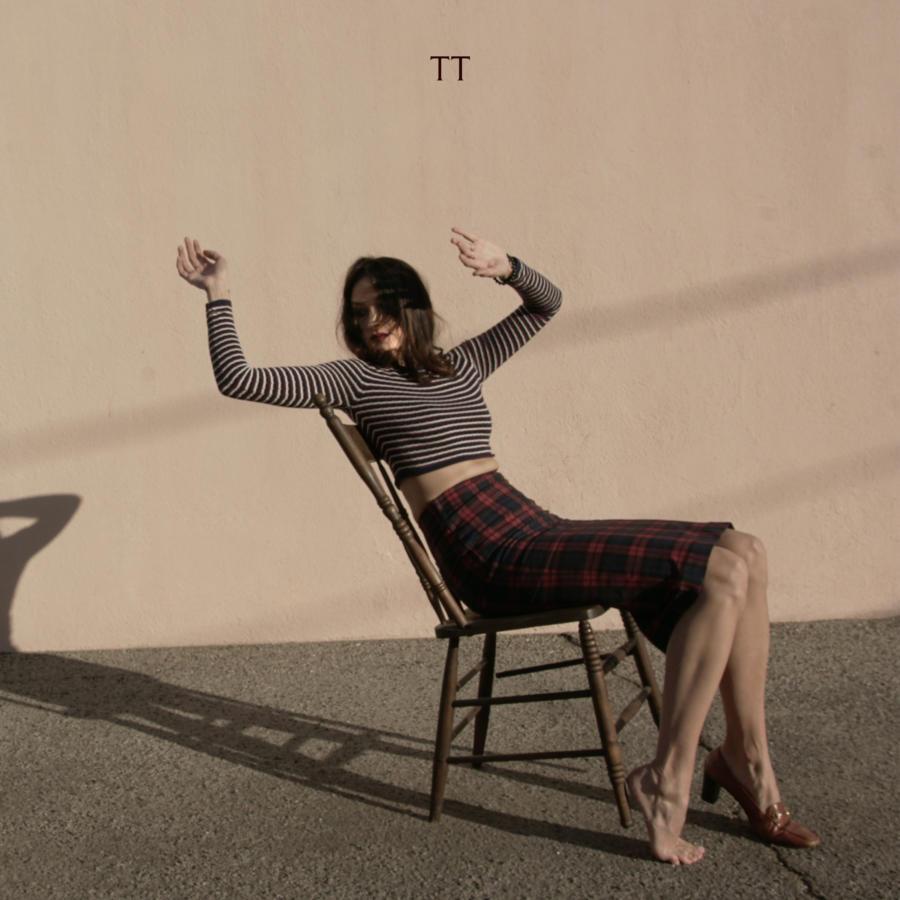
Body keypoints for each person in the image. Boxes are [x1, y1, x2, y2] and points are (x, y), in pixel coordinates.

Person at [176, 229, 820, 865]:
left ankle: (746, 760)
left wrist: (506, 265)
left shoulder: (460, 364)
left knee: (745, 551)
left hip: (527, 523)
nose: (372, 322)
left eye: (384, 306)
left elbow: (546, 303)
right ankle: (667, 781)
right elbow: (239, 379)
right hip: (486, 553)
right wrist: (217, 294)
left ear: (413, 306)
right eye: (359, 311)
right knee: (716, 568)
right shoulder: (355, 380)